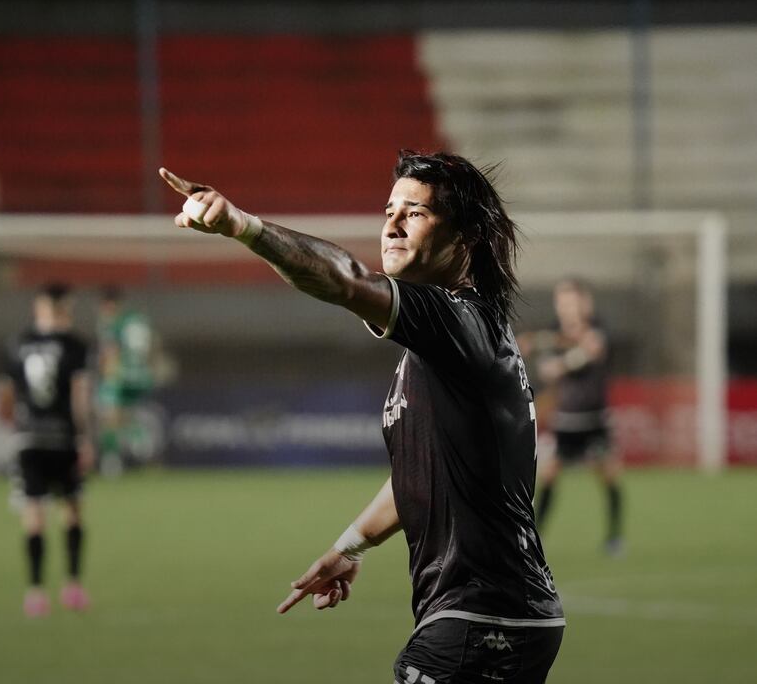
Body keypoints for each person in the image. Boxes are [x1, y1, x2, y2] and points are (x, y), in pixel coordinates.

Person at [161, 150, 564, 683]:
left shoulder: (457, 321)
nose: (392, 225)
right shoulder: (451, 343)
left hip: (478, 617)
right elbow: (426, 474)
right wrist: (349, 545)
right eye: (389, 210)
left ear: (464, 238)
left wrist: (243, 226)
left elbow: (347, 281)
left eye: (415, 213)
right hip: (502, 615)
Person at [0, 283, 94, 616]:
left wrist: (15, 423)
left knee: (33, 514)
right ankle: (73, 586)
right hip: (63, 438)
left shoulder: (19, 343)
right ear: (65, 308)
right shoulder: (75, 344)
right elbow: (79, 394)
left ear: (39, 308)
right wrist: (84, 437)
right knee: (71, 511)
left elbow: (6, 396)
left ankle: (35, 593)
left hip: (29, 439)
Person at [523, 278, 624, 555]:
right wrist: (552, 358)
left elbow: (592, 350)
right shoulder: (554, 333)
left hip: (595, 419)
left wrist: (563, 362)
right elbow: (546, 369)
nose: (566, 307)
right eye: (561, 302)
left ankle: (614, 537)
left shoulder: (597, 328)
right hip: (566, 420)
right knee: (549, 476)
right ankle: (536, 538)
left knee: (609, 476)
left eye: (570, 301)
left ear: (583, 302)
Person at [96, 286, 155, 476]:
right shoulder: (137, 320)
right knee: (126, 417)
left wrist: (107, 376)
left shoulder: (113, 323)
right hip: (140, 376)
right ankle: (141, 443)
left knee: (109, 418)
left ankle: (111, 462)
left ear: (109, 304)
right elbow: (151, 347)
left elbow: (111, 352)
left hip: (120, 376)